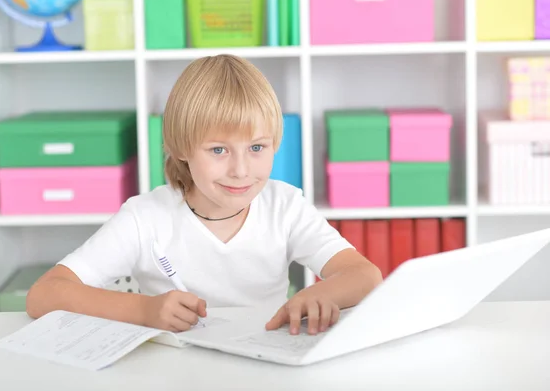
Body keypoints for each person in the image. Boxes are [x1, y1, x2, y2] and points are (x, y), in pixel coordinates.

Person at [26, 54, 382, 336]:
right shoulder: (145, 217)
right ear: (180, 147)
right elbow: (44, 294)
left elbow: (365, 275)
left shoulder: (285, 206)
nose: (241, 170)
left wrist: (321, 293)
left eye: (257, 147)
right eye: (218, 151)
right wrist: (145, 311)